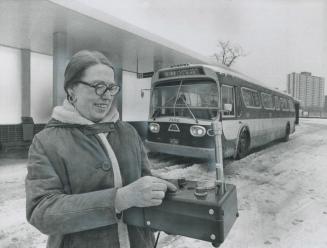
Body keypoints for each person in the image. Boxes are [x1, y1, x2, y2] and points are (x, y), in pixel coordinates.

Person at [25, 50, 177, 248]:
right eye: (98, 86)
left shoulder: (128, 132)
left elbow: (143, 186)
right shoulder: (46, 142)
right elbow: (41, 212)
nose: (106, 96)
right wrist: (118, 199)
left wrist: (167, 205)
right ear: (71, 90)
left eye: (111, 87)